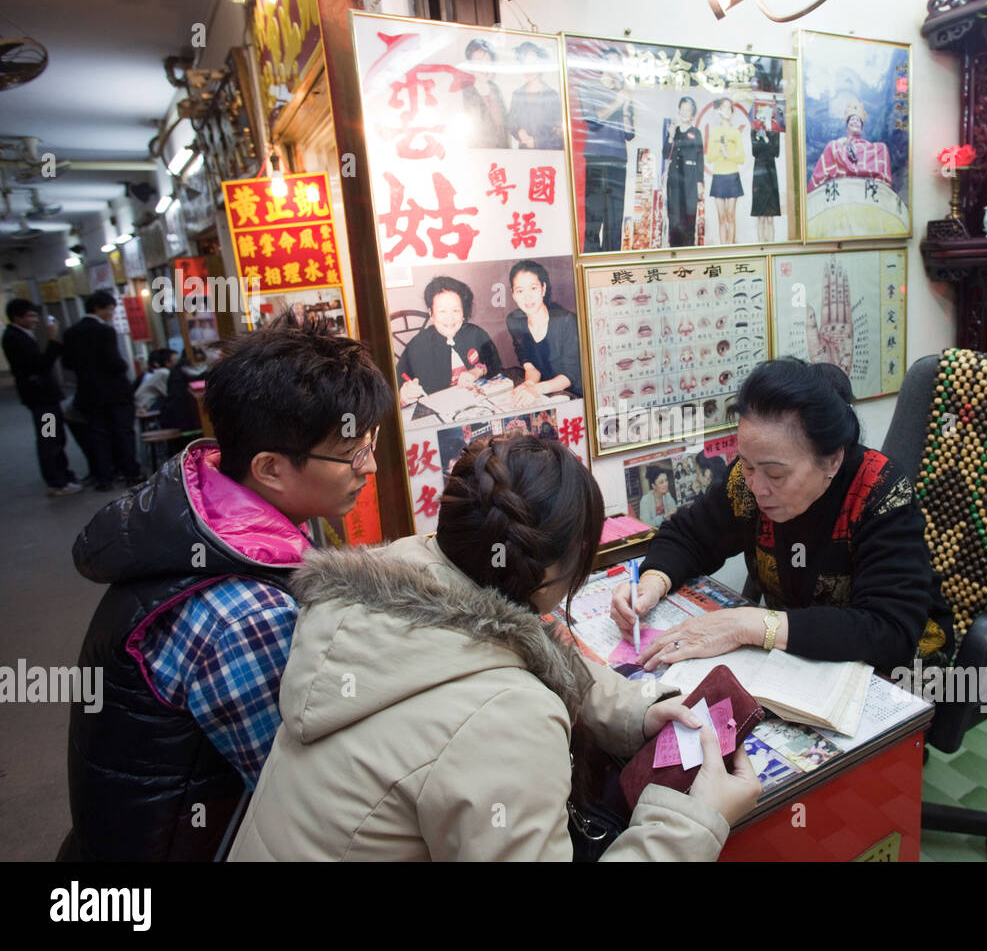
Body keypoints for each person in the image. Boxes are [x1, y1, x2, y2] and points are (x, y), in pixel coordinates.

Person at [229, 433, 758, 860]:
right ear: (553, 574)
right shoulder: (505, 721)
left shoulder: (395, 581)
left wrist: (636, 713)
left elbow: (526, 641)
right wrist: (690, 824)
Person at [58, 319, 393, 861]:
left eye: (371, 443)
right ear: (270, 468)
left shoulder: (209, 514)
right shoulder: (242, 613)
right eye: (353, 453)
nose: (370, 467)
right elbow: (304, 793)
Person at [611, 358, 953, 673]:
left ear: (832, 460)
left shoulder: (879, 491)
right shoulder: (747, 481)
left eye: (775, 475)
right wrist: (650, 585)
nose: (757, 487)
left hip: (899, 673)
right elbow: (689, 535)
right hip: (800, 658)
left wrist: (747, 624)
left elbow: (888, 631)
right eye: (746, 464)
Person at [60, 290, 142, 491]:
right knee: (122, 433)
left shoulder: (71, 332)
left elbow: (67, 363)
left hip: (88, 395)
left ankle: (105, 478)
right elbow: (114, 363)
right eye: (110, 310)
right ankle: (130, 473)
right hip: (115, 393)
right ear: (98, 308)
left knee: (98, 436)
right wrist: (122, 367)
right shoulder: (104, 331)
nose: (111, 314)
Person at [3, 298, 80, 495]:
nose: (35, 320)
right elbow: (41, 365)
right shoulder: (15, 338)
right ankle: (57, 481)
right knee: (50, 438)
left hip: (43, 398)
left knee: (53, 437)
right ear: (17, 317)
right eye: (30, 316)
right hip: (41, 399)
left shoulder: (19, 335)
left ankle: (61, 476)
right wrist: (53, 339)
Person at [397, 276, 502, 405]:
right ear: (431, 313)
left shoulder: (476, 334)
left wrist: (477, 370)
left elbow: (495, 366)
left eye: (456, 310)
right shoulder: (417, 347)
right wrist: (404, 395)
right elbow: (397, 389)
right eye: (442, 311)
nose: (450, 318)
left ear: (463, 312)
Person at [504, 259, 583, 407]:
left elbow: (570, 376)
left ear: (543, 288)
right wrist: (527, 384)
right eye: (520, 291)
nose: (527, 297)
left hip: (576, 395)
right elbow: (530, 366)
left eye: (533, 288)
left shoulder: (566, 321)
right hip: (546, 395)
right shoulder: (514, 321)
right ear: (513, 295)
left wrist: (535, 389)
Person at [580, 47, 636, 252]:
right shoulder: (588, 87)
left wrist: (627, 107)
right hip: (596, 159)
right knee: (594, 219)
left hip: (618, 159)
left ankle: (613, 267)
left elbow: (630, 133)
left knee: (614, 220)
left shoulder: (622, 92)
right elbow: (593, 121)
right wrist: (617, 102)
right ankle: (591, 267)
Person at [807, 102, 893, 192]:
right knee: (832, 145)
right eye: (852, 119)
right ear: (847, 126)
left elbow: (873, 150)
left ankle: (879, 180)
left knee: (882, 147)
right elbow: (836, 147)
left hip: (865, 162)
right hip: (845, 162)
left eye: (858, 120)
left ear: (861, 127)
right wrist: (842, 143)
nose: (855, 121)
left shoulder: (868, 146)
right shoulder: (840, 143)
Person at [663, 96, 704, 247]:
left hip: (691, 183)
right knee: (674, 221)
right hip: (674, 182)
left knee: (688, 221)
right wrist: (671, 137)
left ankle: (689, 257)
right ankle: (674, 255)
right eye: (683, 109)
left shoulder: (696, 133)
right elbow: (665, 155)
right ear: (679, 111)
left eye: (689, 110)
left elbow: (700, 159)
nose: (685, 112)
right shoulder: (674, 131)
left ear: (693, 114)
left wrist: (700, 182)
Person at [508, 41, 564, 150]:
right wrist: (518, 132)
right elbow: (511, 122)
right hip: (524, 156)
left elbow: (561, 133)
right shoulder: (517, 94)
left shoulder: (552, 95)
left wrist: (537, 142)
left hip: (548, 158)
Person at [705, 97, 744, 245]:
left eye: (729, 107)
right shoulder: (715, 132)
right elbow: (709, 157)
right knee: (721, 218)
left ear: (732, 112)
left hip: (732, 176)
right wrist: (720, 152)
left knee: (730, 217)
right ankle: (723, 248)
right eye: (724, 107)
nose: (727, 110)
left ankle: (731, 248)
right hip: (718, 177)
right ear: (719, 110)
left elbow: (741, 158)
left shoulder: (735, 133)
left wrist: (729, 155)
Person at [462, 37, 509, 148]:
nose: (484, 68)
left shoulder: (495, 89)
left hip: (502, 155)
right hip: (478, 156)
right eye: (479, 63)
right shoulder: (465, 92)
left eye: (488, 62)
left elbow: (504, 128)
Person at [750, 113, 781, 243]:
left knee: (770, 218)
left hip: (771, 174)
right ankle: (761, 245)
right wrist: (759, 136)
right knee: (760, 217)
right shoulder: (754, 131)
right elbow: (754, 152)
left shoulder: (775, 130)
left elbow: (775, 152)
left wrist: (767, 139)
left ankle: (771, 245)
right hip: (758, 175)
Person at [134, 348, 176, 413]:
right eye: (175, 360)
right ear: (167, 363)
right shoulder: (164, 373)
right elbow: (169, 393)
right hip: (146, 405)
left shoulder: (159, 372)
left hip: (145, 404)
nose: (177, 363)